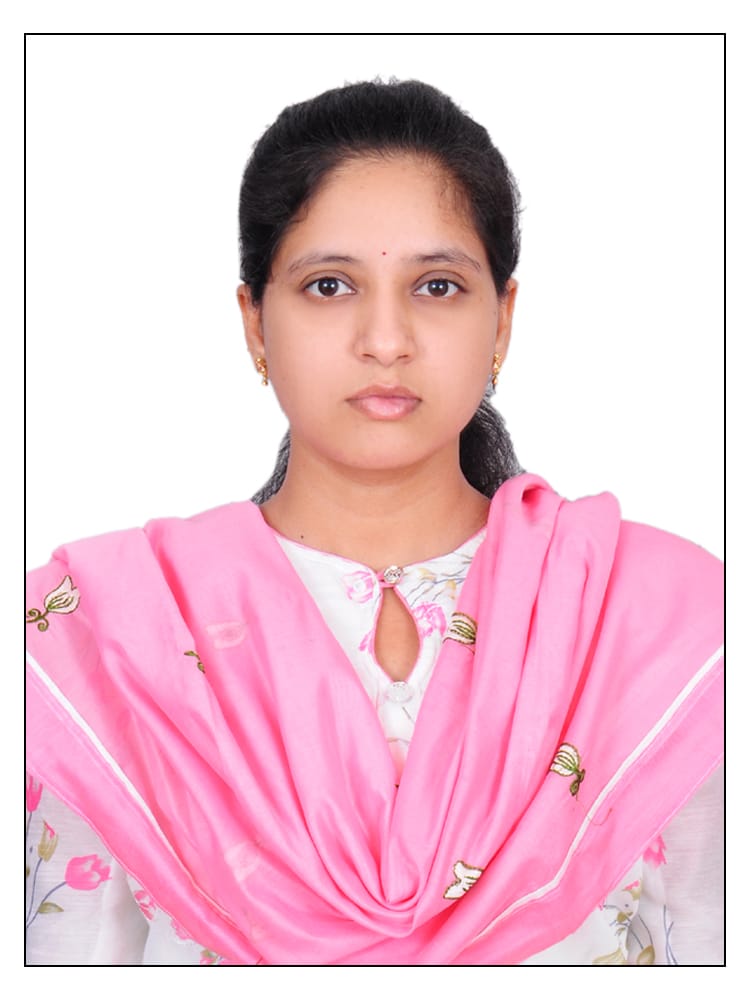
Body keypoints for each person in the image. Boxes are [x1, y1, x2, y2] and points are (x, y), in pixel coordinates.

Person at [25, 78, 723, 966]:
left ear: (502, 320)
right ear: (254, 323)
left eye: (437, 286)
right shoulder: (109, 637)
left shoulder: (662, 629)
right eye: (329, 285)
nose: (386, 339)